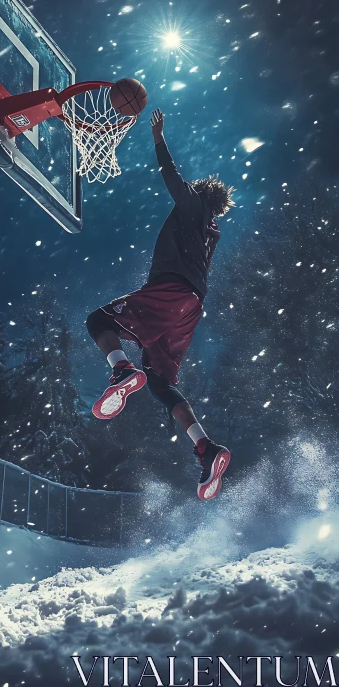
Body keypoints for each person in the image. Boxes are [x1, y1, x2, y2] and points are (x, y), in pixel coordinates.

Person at [86, 109, 235, 500]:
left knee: (99, 320)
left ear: (202, 195)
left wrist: (158, 138)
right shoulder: (211, 231)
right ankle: (206, 449)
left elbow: (172, 178)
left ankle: (120, 370)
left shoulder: (194, 208)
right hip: (191, 305)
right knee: (160, 382)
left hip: (173, 291)